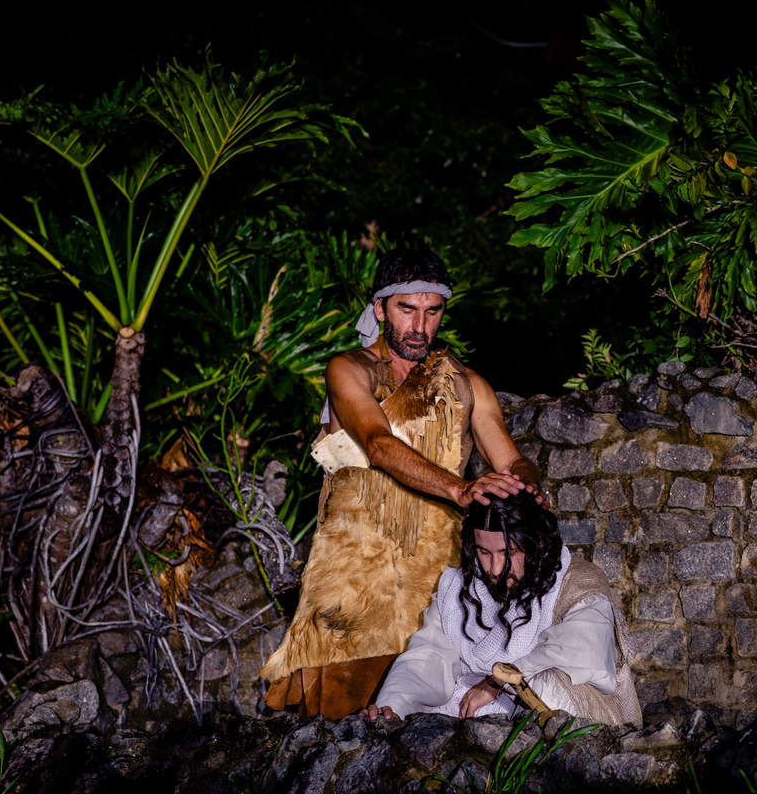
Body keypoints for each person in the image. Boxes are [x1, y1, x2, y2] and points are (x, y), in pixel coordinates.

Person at [260, 247, 545, 720]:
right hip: (352, 578)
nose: (420, 326)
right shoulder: (349, 370)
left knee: (423, 722)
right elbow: (377, 443)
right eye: (407, 309)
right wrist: (460, 489)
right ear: (379, 308)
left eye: (432, 312)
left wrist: (524, 487)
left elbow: (512, 459)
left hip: (434, 580)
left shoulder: (469, 385)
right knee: (333, 727)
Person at [360, 492, 641, 727]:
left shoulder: (577, 579)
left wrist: (497, 682)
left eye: (508, 553)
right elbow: (429, 657)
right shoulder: (461, 587)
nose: (495, 569)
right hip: (471, 707)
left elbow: (582, 650)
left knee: (552, 689)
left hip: (565, 709)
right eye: (484, 552)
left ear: (537, 543)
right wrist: (393, 704)